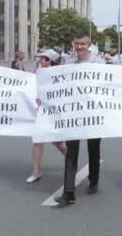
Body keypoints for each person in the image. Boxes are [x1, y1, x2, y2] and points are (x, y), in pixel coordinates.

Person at [54, 31, 105, 206]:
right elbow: (59, 84)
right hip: (73, 113)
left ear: (89, 45)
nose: (79, 47)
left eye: (82, 44)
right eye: (76, 43)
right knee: (71, 150)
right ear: (72, 44)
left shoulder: (99, 62)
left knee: (93, 147)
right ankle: (69, 192)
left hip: (93, 113)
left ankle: (93, 180)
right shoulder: (67, 62)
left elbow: (109, 85)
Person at [26, 49, 67, 183]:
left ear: (49, 61)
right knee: (37, 140)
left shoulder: (58, 74)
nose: (40, 61)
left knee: (57, 142)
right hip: (41, 111)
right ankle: (36, 171)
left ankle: (71, 160)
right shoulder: (39, 72)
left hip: (55, 112)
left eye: (42, 58)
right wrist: (37, 97)